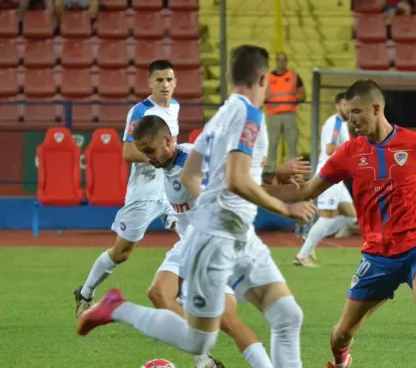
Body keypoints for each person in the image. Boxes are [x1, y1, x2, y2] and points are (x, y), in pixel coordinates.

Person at [77, 45, 316, 367]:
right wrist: (286, 208)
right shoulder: (249, 115)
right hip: (216, 240)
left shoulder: (224, 113)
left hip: (238, 236)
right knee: (200, 338)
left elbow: (195, 171)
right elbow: (235, 180)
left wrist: (211, 198)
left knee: (288, 316)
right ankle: (117, 308)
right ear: (264, 77)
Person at [266, 79, 416, 368]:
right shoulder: (347, 153)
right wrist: (262, 184)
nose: (352, 119)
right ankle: (341, 362)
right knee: (341, 334)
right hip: (377, 255)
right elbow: (305, 191)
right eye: (349, 113)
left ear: (377, 108)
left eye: (357, 112)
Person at [132, 115, 275, 368]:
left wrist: (274, 173)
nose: (147, 158)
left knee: (228, 321)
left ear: (167, 141)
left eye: (150, 151)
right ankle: (205, 361)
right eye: (143, 152)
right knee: (158, 293)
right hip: (188, 245)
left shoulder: (191, 161)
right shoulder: (167, 166)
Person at [74, 59, 179, 318]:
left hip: (170, 188)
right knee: (122, 252)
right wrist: (156, 157)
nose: (165, 85)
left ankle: (187, 299)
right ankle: (86, 292)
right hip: (144, 192)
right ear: (150, 82)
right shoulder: (140, 111)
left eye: (169, 80)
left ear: (175, 82)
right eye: (160, 80)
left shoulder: (175, 107)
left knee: (192, 238)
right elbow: (128, 151)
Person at [294, 93, 357, 267]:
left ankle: (312, 237)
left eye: (349, 105)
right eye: (344, 105)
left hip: (338, 176)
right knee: (327, 216)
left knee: (351, 216)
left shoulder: (342, 124)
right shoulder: (336, 122)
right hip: (329, 174)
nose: (347, 108)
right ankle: (302, 255)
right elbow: (330, 149)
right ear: (337, 106)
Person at [263, 52, 305, 179]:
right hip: (273, 116)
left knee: (292, 144)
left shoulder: (293, 76)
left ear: (286, 61)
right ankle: (269, 170)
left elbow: (302, 94)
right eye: (279, 60)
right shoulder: (268, 78)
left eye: (283, 60)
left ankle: (293, 171)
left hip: (289, 116)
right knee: (271, 144)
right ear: (276, 61)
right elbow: (261, 94)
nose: (281, 62)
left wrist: (294, 100)